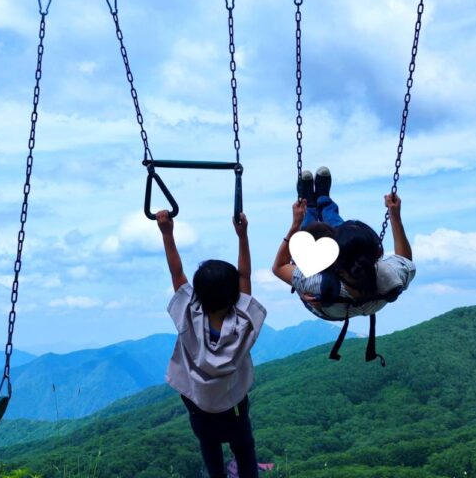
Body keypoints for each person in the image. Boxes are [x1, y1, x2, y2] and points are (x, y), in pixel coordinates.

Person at [157, 209, 266, 478]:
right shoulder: (242, 324)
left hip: (200, 408)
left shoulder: (188, 316)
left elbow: (176, 273)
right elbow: (245, 277)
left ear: (198, 296)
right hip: (234, 409)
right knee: (244, 448)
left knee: (210, 449)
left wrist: (167, 234)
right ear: (234, 297)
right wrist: (242, 236)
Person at [272, 167, 415, 325]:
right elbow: (405, 260)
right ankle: (323, 200)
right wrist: (395, 216)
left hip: (326, 306)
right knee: (348, 238)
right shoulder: (390, 279)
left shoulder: (316, 283)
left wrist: (295, 224)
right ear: (376, 254)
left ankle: (311, 208)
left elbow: (279, 267)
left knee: (310, 235)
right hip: (350, 299)